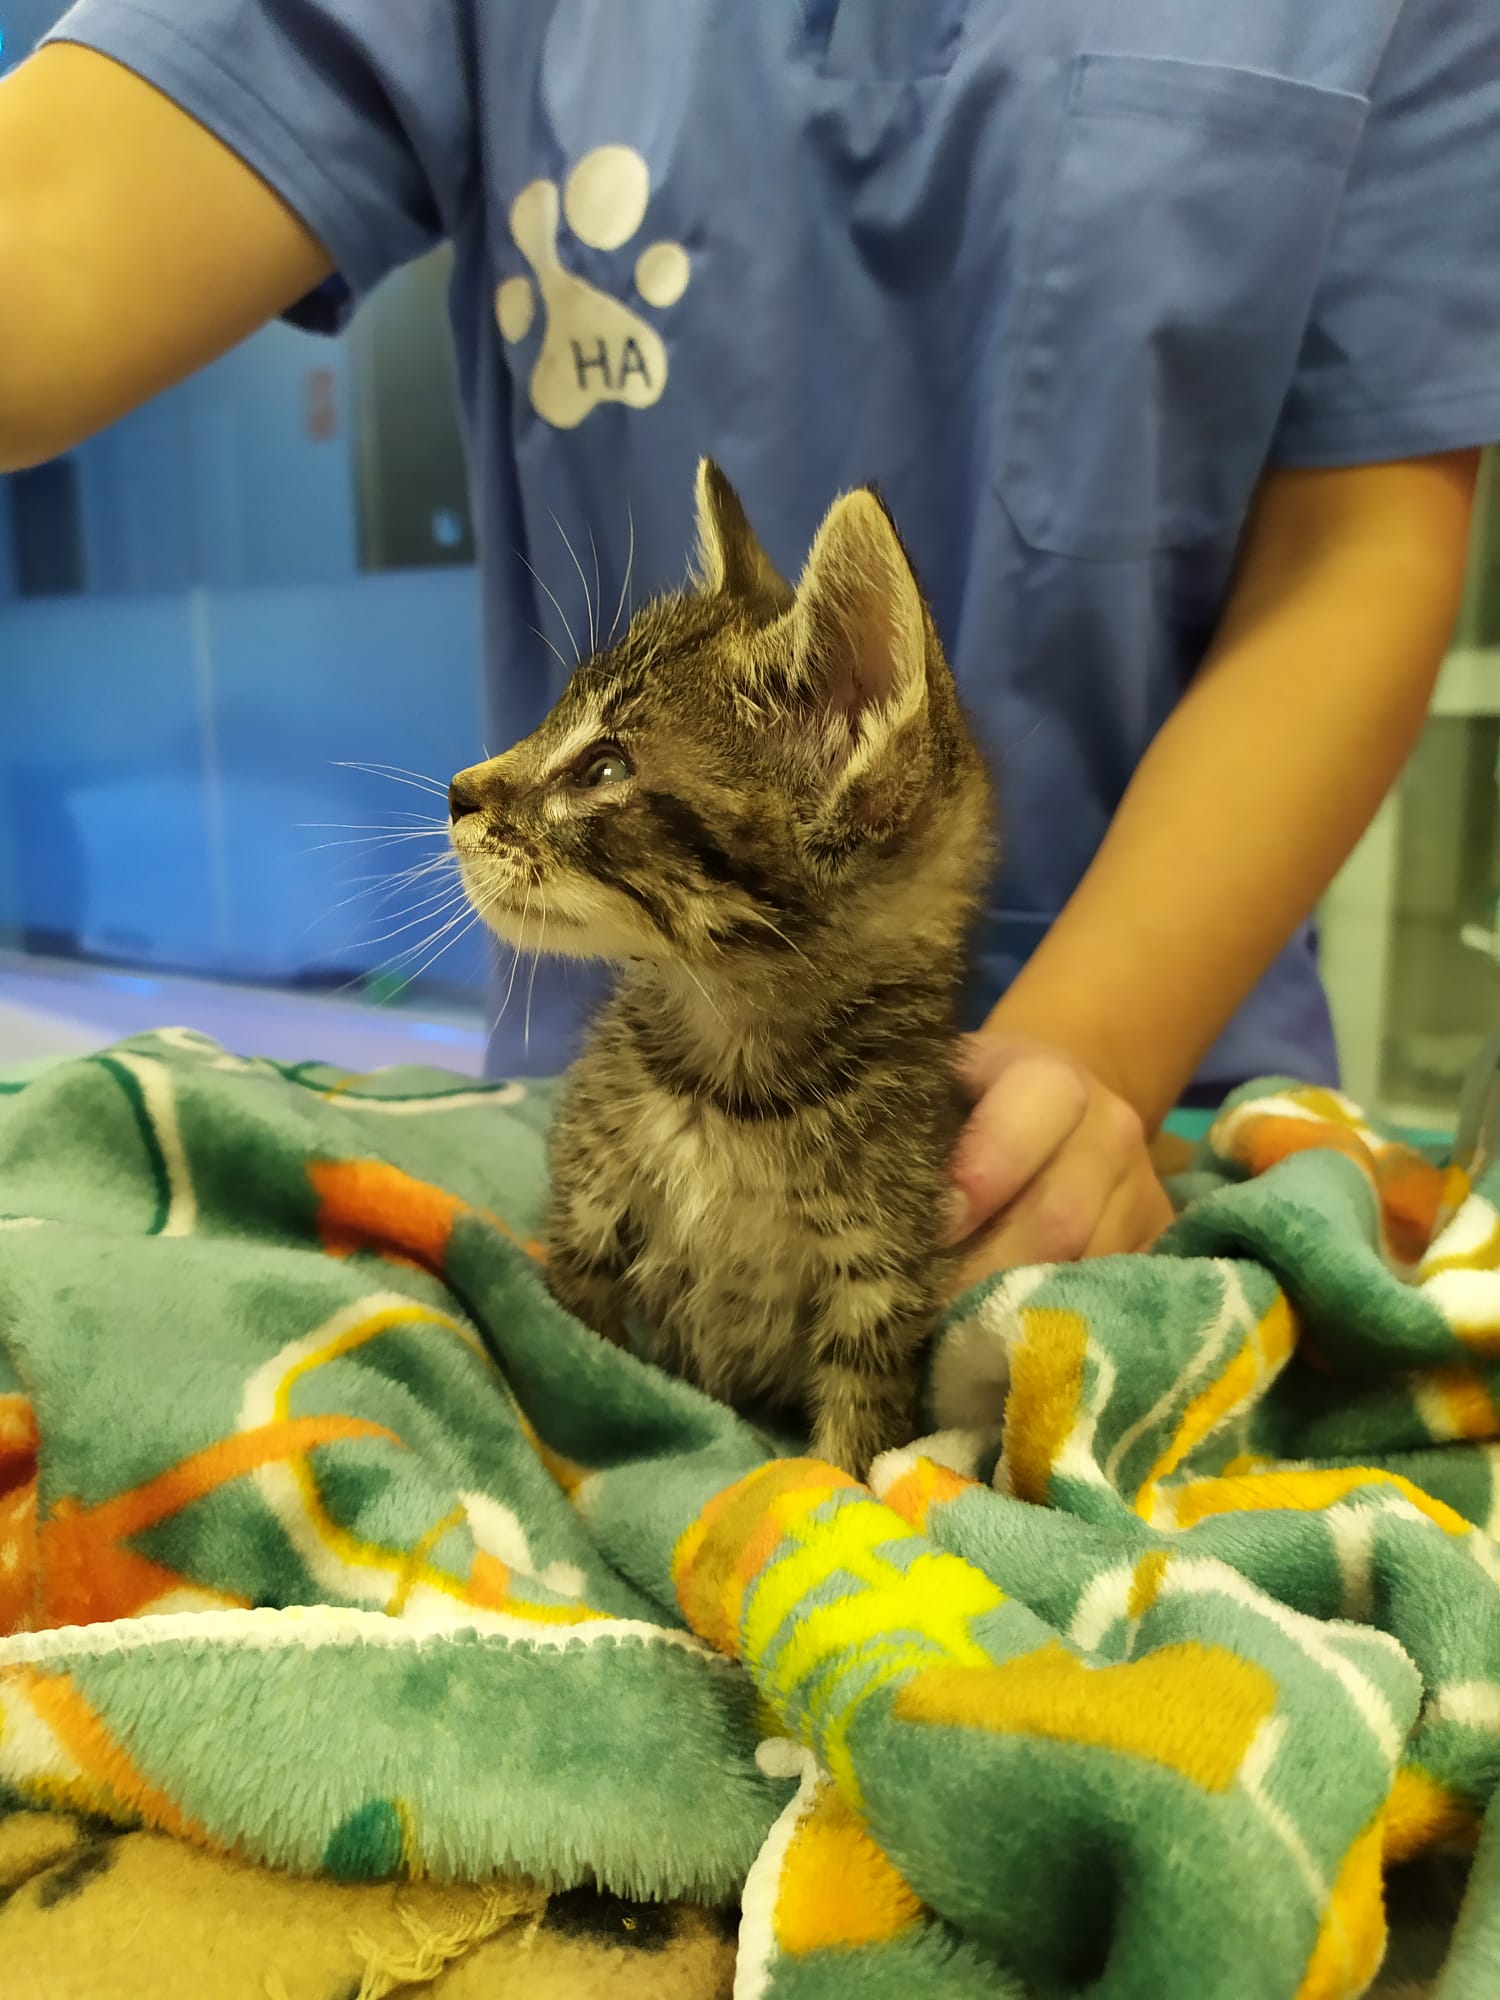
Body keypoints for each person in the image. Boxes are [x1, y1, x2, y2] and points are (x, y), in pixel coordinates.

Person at [0, 2, 1495, 1284]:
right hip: (619, 1104)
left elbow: (1356, 552)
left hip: (1158, 1121)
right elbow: (49, 229)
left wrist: (1089, 1060)